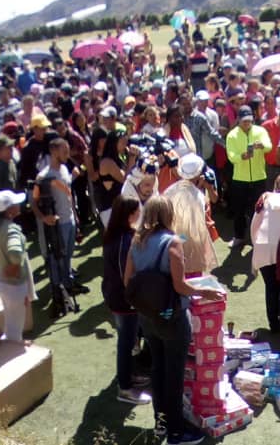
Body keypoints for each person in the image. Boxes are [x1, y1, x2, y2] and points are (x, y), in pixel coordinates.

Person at [123, 196, 222, 445]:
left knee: (157, 370)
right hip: (173, 318)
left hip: (147, 318)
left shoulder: (137, 242)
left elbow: (128, 282)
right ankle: (177, 432)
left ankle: (161, 424)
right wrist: (206, 291)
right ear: (169, 214)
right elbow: (180, 286)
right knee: (174, 375)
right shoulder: (173, 242)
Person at [101, 197, 150, 405]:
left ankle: (129, 376)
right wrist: (136, 297)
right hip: (124, 300)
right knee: (126, 342)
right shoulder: (125, 240)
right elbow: (126, 275)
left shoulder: (114, 235)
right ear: (130, 214)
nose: (140, 214)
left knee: (128, 340)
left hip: (116, 296)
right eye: (138, 211)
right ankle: (125, 388)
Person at [33, 138, 80, 315]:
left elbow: (69, 194)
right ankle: (59, 295)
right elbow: (34, 200)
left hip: (70, 221)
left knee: (67, 258)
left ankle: (67, 288)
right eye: (64, 150)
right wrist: (43, 217)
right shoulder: (44, 176)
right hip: (58, 225)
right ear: (54, 151)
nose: (67, 154)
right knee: (57, 261)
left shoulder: (64, 168)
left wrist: (75, 215)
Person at [0, 190, 36, 343]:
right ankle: (13, 350)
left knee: (11, 319)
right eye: (15, 203)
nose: (18, 204)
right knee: (16, 325)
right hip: (13, 285)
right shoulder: (11, 229)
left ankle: (13, 344)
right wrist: (15, 264)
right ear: (9, 209)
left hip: (1, 281)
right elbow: (15, 254)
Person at [250, 173, 280, 333]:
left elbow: (254, 225)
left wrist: (256, 244)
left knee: (271, 287)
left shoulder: (266, 199)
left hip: (264, 246)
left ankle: (273, 325)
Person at [161, 154, 219, 276]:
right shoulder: (197, 196)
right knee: (193, 276)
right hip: (192, 238)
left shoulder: (170, 190)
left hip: (175, 237)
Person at [225, 106, 272, 247]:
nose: (247, 123)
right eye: (244, 121)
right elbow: (231, 157)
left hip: (259, 176)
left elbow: (269, 146)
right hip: (240, 178)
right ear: (238, 120)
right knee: (239, 209)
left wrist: (261, 145)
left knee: (259, 209)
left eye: (249, 120)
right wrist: (242, 156)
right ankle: (239, 237)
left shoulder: (260, 131)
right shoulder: (232, 135)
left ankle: (258, 236)